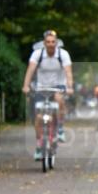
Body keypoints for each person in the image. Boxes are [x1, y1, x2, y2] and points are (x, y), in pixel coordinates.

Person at [21, 30, 74, 159]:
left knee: (58, 98)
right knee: (38, 117)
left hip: (58, 86)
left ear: (56, 43)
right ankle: (39, 146)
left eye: (53, 42)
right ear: (44, 43)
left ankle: (60, 128)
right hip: (41, 87)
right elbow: (30, 70)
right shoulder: (37, 54)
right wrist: (26, 86)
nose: (51, 44)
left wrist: (70, 87)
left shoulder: (63, 54)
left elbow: (68, 72)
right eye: (48, 42)